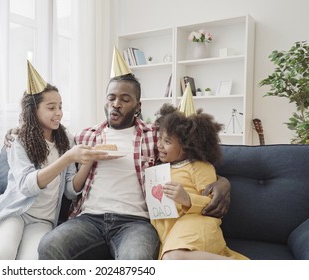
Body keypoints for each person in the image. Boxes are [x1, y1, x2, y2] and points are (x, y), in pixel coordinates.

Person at [35, 47, 232, 260]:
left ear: (138, 106)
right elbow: (66, 180)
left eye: (125, 99)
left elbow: (190, 158)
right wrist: (18, 132)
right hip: (89, 219)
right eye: (111, 98)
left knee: (136, 261)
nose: (116, 104)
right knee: (49, 245)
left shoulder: (155, 136)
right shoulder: (84, 136)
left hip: (135, 222)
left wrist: (222, 182)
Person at [0, 61, 107, 260]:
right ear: (34, 111)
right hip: (16, 212)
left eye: (60, 106)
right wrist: (67, 158)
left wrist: (88, 161)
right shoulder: (19, 140)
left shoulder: (66, 139)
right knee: (2, 253)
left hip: (43, 220)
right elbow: (26, 186)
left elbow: (69, 189)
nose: (59, 112)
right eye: (51, 107)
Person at [152, 102, 247, 260]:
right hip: (171, 231)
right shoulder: (157, 168)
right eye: (159, 139)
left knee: (173, 258)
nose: (159, 145)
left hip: (198, 224)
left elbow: (214, 205)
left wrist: (187, 199)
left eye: (167, 142)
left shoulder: (200, 167)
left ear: (188, 146)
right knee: (170, 259)